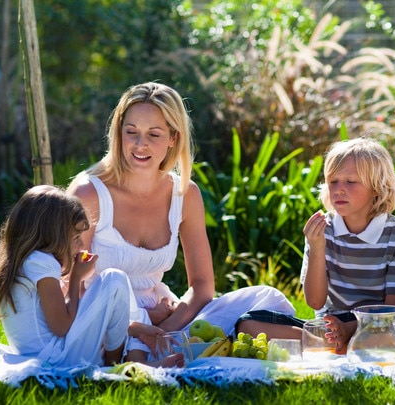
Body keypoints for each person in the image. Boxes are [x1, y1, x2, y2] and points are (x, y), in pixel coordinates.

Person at [67, 82, 294, 363]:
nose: (141, 144)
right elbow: (69, 283)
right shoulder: (88, 193)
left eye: (154, 134)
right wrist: (140, 323)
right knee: (127, 342)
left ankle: (321, 341)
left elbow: (201, 286)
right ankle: (150, 357)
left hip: (166, 319)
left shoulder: (184, 194)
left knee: (266, 298)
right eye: (131, 132)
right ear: (119, 133)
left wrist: (165, 329)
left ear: (173, 138)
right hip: (100, 322)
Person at [237, 138, 395, 354]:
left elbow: (394, 309)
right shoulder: (322, 230)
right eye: (333, 181)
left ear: (377, 188)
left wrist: (350, 328)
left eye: (350, 182)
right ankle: (341, 347)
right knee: (247, 324)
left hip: (382, 324)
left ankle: (336, 346)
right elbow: (315, 302)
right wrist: (317, 248)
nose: (339, 190)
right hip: (331, 324)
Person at [0, 185, 183, 367]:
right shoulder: (41, 263)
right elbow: (62, 327)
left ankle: (132, 344)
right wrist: (76, 279)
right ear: (52, 235)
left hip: (50, 353)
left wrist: (131, 327)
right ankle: (117, 366)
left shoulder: (25, 262)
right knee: (114, 279)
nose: (80, 245)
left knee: (113, 287)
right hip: (55, 358)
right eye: (76, 237)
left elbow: (69, 321)